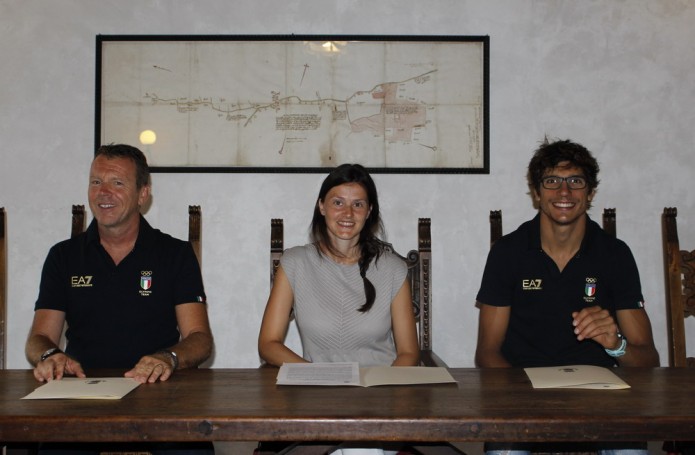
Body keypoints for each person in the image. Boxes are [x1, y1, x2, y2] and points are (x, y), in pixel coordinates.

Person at [474, 138, 659, 455]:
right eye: (552, 181)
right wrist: (523, 397)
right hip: (523, 397)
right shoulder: (508, 252)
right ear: (536, 193)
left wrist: (616, 345)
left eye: (576, 181)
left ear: (590, 193)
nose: (564, 192)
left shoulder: (615, 254)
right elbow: (487, 353)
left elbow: (649, 361)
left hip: (601, 399)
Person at [26, 143, 214, 454]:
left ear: (143, 193)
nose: (103, 192)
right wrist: (50, 356)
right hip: (80, 394)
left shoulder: (175, 254)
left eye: (117, 182)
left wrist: (168, 358)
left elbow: (200, 339)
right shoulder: (63, 256)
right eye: (96, 181)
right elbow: (39, 338)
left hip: (158, 394)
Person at [258, 163, 420, 454]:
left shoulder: (393, 268)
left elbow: (409, 352)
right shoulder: (295, 263)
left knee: (362, 448)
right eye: (338, 203)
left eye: (358, 204)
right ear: (321, 206)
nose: (348, 213)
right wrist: (318, 377)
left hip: (381, 400)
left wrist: (382, 391)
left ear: (369, 211)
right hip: (316, 399)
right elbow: (268, 344)